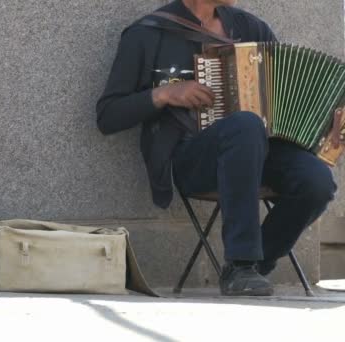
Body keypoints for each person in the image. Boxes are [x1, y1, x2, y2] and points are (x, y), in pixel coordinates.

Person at [97, 0, 338, 296]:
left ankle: (257, 263)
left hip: (259, 151)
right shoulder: (147, 34)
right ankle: (240, 263)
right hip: (190, 157)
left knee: (317, 181)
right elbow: (108, 116)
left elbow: (285, 96)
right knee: (246, 125)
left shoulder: (251, 28)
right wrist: (164, 94)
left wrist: (324, 137)